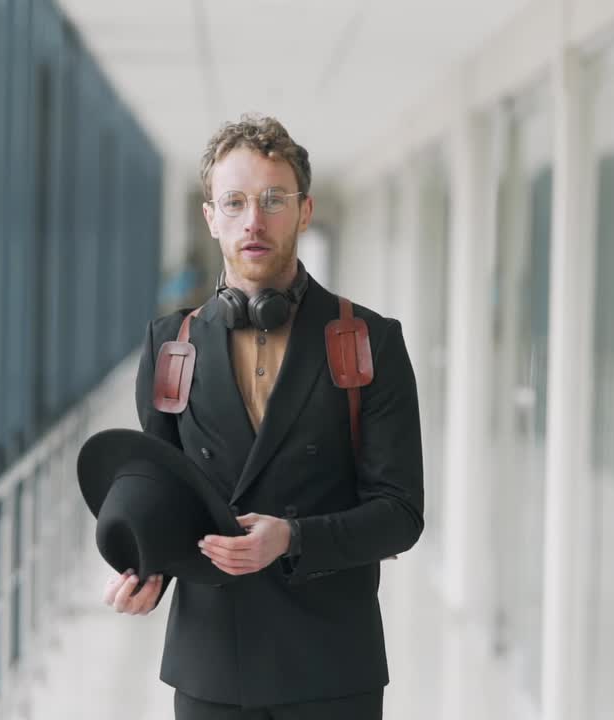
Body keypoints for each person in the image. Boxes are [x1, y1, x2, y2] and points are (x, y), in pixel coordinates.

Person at [100, 114, 424, 720]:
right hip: (212, 662)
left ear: (304, 211)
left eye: (274, 199)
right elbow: (166, 497)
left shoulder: (368, 340)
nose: (254, 219)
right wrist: (148, 570)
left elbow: (402, 514)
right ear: (211, 217)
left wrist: (294, 539)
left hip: (332, 665)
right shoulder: (173, 345)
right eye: (236, 201)